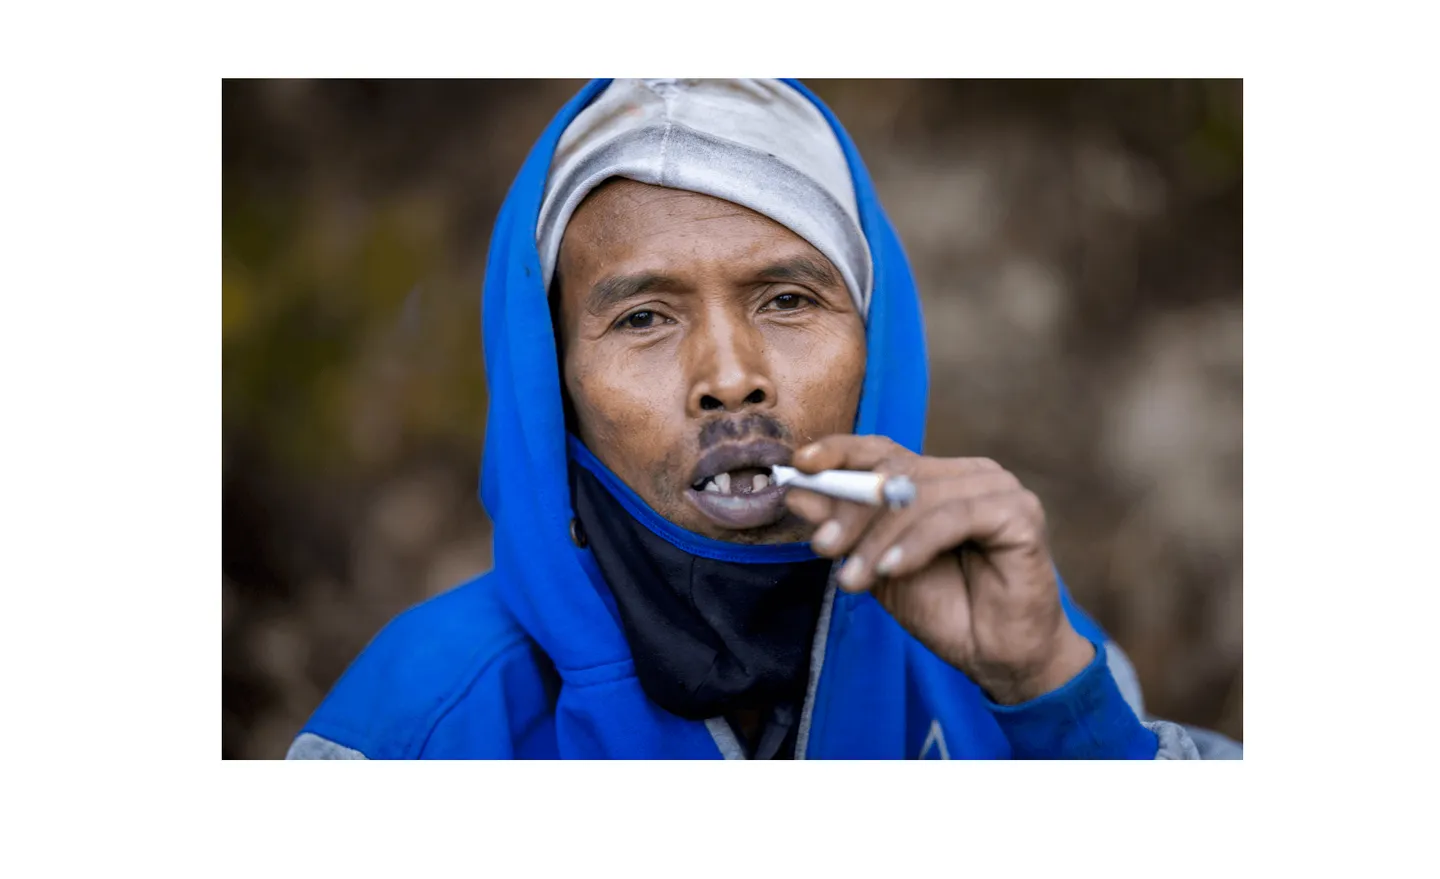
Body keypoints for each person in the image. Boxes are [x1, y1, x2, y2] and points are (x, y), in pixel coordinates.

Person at [287, 79, 1241, 760]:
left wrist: (1054, 701)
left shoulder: (1017, 645)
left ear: (878, 344)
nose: (731, 377)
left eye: (787, 300)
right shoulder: (422, 722)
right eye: (643, 318)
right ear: (555, 382)